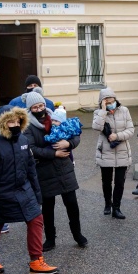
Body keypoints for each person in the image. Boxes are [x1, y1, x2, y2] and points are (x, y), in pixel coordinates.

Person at [0, 105, 59, 274]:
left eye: (17, 121)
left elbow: (31, 169)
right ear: (2, 124)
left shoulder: (23, 141)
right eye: (10, 121)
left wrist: (37, 194)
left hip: (24, 190)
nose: (15, 124)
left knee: (36, 219)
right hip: (3, 193)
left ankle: (36, 261)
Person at [24, 91, 86, 251]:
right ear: (30, 109)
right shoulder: (28, 126)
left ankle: (78, 234)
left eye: (41, 105)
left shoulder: (57, 117)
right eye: (35, 107)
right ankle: (50, 239)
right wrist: (53, 153)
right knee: (48, 207)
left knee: (72, 204)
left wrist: (68, 144)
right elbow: (32, 149)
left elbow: (76, 133)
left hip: (64, 168)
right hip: (44, 170)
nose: (40, 109)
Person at [92, 88, 134, 219]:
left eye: (112, 100)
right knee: (106, 181)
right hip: (106, 151)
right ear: (102, 102)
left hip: (122, 150)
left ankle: (117, 208)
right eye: (107, 101)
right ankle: (107, 204)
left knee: (120, 182)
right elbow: (96, 127)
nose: (111, 103)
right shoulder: (98, 113)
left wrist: (117, 136)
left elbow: (131, 130)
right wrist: (103, 111)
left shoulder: (124, 110)